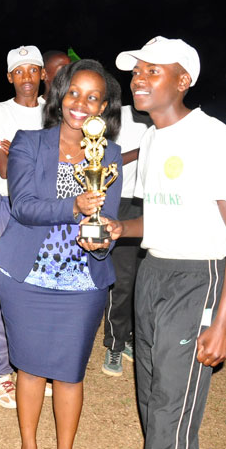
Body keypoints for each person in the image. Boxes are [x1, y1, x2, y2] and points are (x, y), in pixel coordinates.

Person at [111, 36, 226, 449]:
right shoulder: (153, 139)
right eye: (137, 71)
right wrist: (120, 228)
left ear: (183, 80)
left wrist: (224, 322)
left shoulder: (211, 136)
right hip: (152, 272)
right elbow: (160, 217)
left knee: (174, 404)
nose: (139, 79)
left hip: (197, 277)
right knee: (153, 395)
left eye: (153, 71)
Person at [0, 59, 122, 449]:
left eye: (93, 97)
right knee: (29, 370)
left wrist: (102, 240)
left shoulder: (111, 154)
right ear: (59, 96)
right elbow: (24, 206)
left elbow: (107, 223)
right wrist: (74, 206)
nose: (81, 104)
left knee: (69, 373)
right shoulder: (29, 142)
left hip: (82, 283)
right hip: (28, 276)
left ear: (103, 108)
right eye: (74, 93)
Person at [0, 45, 52, 403]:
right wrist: (42, 156)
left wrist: (22, 151)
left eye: (33, 70)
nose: (27, 78)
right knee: (8, 289)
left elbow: (65, 167)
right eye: (19, 71)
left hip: (51, 211)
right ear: (10, 77)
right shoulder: (0, 112)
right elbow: (5, 169)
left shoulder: (54, 111)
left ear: (42, 74)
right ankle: (0, 371)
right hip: (11, 209)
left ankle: (39, 365)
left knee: (46, 288)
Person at [101, 104, 149, 376]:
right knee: (123, 279)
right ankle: (115, 343)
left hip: (155, 203)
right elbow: (103, 162)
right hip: (122, 202)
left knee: (145, 280)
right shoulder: (119, 115)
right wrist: (146, 151)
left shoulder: (167, 118)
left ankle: (133, 337)